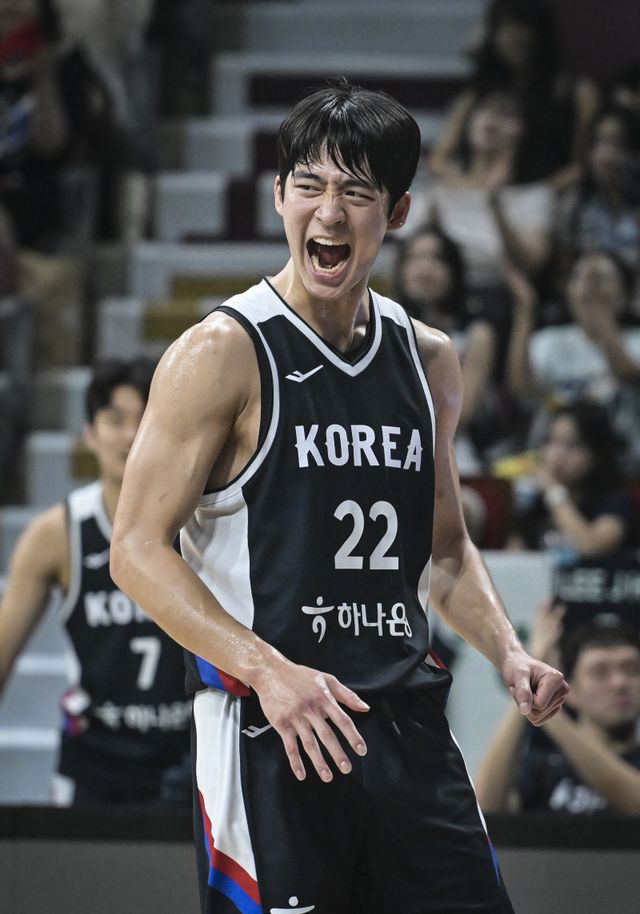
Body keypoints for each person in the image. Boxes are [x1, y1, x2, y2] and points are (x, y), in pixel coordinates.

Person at [111, 80, 568, 914]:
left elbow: (446, 550)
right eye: (310, 186)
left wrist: (508, 652)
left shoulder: (428, 358)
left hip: (407, 726)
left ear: (396, 212)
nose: (329, 212)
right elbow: (136, 550)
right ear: (278, 196)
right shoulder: (221, 352)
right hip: (271, 727)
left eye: (356, 192)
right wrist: (269, 671)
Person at [0, 358, 191, 805]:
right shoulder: (56, 535)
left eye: (143, 419)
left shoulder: (200, 526)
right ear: (90, 434)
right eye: (114, 420)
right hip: (95, 764)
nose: (130, 435)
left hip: (189, 759)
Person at [475, 604, 640, 814]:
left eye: (632, 670)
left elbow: (636, 802)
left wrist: (542, 698)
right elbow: (486, 807)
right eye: (600, 672)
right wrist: (526, 680)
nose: (619, 683)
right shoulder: (545, 768)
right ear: (572, 690)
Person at [428, 0, 599, 187]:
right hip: (478, 192)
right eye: (504, 27)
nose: (512, 37)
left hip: (544, 195)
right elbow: (439, 158)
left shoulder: (575, 93)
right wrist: (471, 189)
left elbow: (582, 165)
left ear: (540, 31)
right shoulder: (477, 92)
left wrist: (537, 194)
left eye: (521, 27)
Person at [505, 250, 640, 472]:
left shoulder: (635, 340)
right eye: (579, 278)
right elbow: (521, 387)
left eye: (602, 279)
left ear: (625, 295)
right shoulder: (549, 341)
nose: (589, 288)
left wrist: (601, 316)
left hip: (621, 464)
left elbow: (628, 374)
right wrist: (525, 308)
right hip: (554, 463)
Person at [508, 400, 634, 557]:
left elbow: (591, 547)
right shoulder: (536, 504)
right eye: (550, 441)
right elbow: (514, 557)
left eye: (572, 445)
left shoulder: (615, 502)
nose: (557, 455)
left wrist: (554, 492)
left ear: (597, 453)